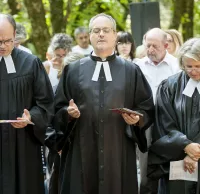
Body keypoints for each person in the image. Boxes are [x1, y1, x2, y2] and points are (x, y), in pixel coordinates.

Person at [53, 13, 154, 194]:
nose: (101, 34)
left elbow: (146, 107)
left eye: (106, 30)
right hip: (82, 149)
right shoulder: (73, 70)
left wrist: (137, 120)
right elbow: (57, 108)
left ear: (115, 35)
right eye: (96, 31)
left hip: (118, 150)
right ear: (90, 36)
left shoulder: (131, 70)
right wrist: (68, 114)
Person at [0, 13, 54, 194]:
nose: (3, 46)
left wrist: (31, 117)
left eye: (7, 41)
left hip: (24, 144)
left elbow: (46, 103)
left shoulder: (31, 63)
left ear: (15, 34)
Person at [148, 37, 200, 194]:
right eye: (188, 66)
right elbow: (163, 122)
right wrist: (185, 144)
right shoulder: (170, 86)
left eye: (198, 66)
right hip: (177, 158)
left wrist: (195, 153)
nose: (193, 71)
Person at [136, 28, 180, 194]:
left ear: (166, 45)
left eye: (155, 46)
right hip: (146, 123)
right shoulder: (137, 66)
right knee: (146, 172)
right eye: (148, 46)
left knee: (172, 170)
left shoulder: (176, 66)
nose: (150, 50)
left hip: (170, 124)